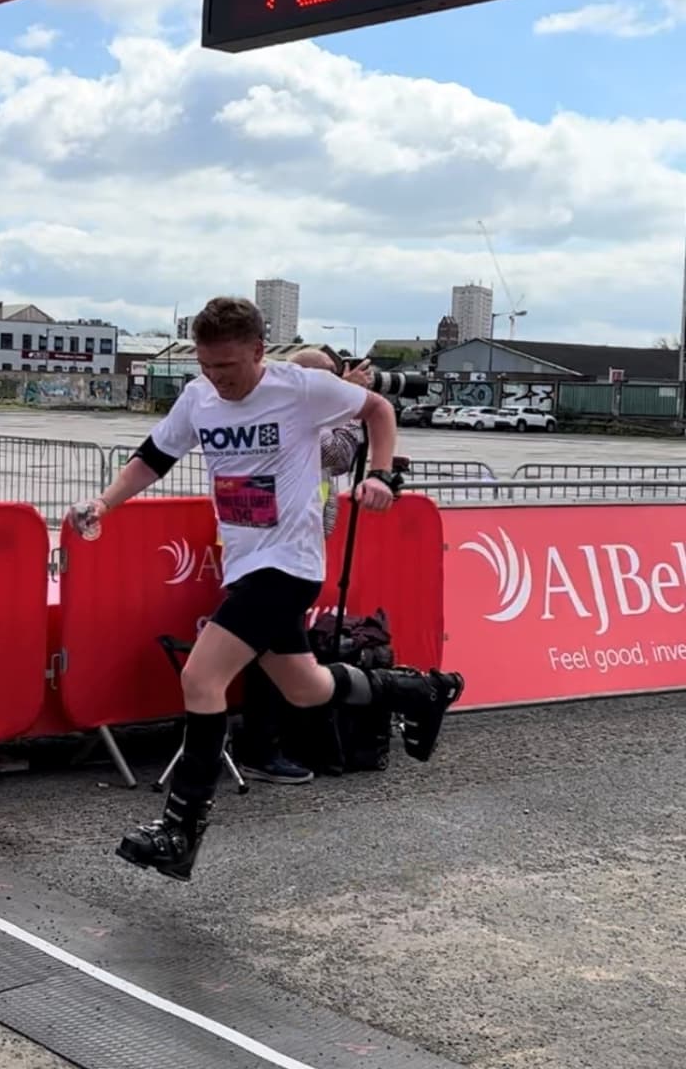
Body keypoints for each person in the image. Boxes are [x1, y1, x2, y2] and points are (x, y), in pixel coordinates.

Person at [65, 298, 463, 883]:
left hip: (291, 563)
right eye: (206, 366)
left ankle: (181, 829)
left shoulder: (300, 389)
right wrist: (104, 501)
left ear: (257, 352)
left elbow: (377, 408)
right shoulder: (199, 397)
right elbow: (154, 457)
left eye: (227, 366)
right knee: (306, 689)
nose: (217, 379)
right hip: (245, 562)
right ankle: (420, 691)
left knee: (201, 678)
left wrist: (379, 474)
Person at [234, 346, 370, 785]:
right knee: (271, 653)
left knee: (275, 653)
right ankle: (260, 748)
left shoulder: (291, 409)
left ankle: (266, 744)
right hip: (275, 554)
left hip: (284, 550)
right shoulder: (293, 412)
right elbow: (339, 455)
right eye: (325, 379)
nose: (329, 386)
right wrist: (350, 401)